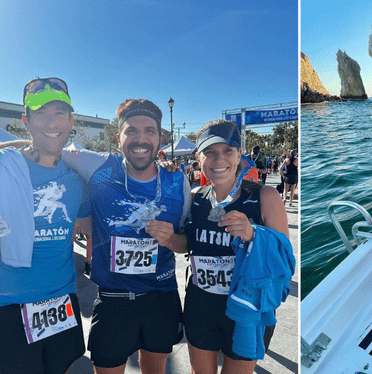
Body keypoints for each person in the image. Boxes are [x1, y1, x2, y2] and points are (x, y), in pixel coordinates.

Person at [60, 99, 191, 374]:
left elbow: (185, 243)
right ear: (118, 138)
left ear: (160, 138)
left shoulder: (178, 180)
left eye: (149, 131)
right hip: (113, 299)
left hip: (161, 297)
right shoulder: (97, 165)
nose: (140, 138)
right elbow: (42, 148)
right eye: (131, 131)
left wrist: (170, 240)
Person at [175, 120, 292, 374]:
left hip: (246, 308)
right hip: (201, 303)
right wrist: (165, 238)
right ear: (199, 158)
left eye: (228, 151)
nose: (219, 159)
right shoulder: (195, 197)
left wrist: (254, 235)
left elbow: (286, 261)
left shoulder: (265, 197)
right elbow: (187, 244)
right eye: (210, 152)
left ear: (240, 154)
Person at [0, 77, 90, 374]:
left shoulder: (78, 178)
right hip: (10, 304)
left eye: (59, 113)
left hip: (62, 300)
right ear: (26, 121)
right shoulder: (5, 169)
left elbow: (92, 231)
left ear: (71, 120)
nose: (51, 122)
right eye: (40, 113)